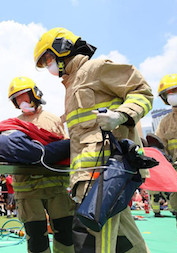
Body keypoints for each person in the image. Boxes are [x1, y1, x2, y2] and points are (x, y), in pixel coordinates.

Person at [34, 27, 153, 252]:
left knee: (99, 243)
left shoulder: (95, 68)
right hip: (88, 176)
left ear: (62, 48)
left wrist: (120, 116)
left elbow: (143, 91)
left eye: (48, 58)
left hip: (107, 172)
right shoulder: (70, 86)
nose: (48, 65)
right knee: (125, 238)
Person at [7, 76, 75, 253]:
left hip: (56, 189)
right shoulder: (14, 125)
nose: (22, 101)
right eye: (17, 98)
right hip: (28, 192)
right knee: (36, 238)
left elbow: (66, 149)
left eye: (24, 96)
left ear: (34, 94)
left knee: (65, 234)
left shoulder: (53, 120)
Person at [155, 73, 177, 252]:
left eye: (174, 90)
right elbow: (159, 147)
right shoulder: (166, 122)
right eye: (167, 93)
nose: (171, 95)